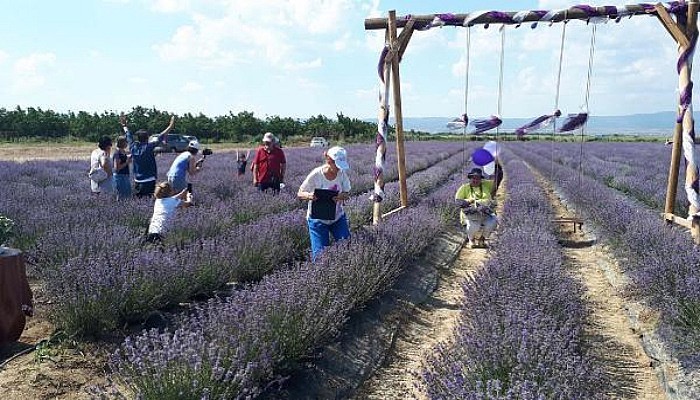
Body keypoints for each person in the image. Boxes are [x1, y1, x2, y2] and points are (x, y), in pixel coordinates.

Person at [298, 146, 352, 260]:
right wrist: (310, 196)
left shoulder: (342, 174)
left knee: (347, 247)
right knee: (320, 256)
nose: (338, 168)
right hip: (318, 220)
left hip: (337, 218)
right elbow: (300, 193)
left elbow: (347, 193)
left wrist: (341, 196)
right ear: (328, 160)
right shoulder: (317, 174)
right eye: (336, 164)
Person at [120, 114, 175, 198]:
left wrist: (124, 126)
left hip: (137, 180)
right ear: (147, 138)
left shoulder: (133, 147)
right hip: (149, 180)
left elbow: (128, 135)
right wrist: (170, 126)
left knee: (139, 202)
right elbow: (161, 136)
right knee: (150, 201)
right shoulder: (149, 147)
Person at [455, 167, 498, 248]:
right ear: (470, 178)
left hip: (485, 213)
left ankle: (482, 239)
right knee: (474, 226)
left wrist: (497, 167)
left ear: (481, 179)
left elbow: (497, 181)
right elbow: (458, 202)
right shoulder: (464, 188)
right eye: (473, 178)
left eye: (478, 178)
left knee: (492, 222)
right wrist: (469, 201)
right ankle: (471, 240)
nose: (475, 180)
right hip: (471, 215)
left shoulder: (485, 186)